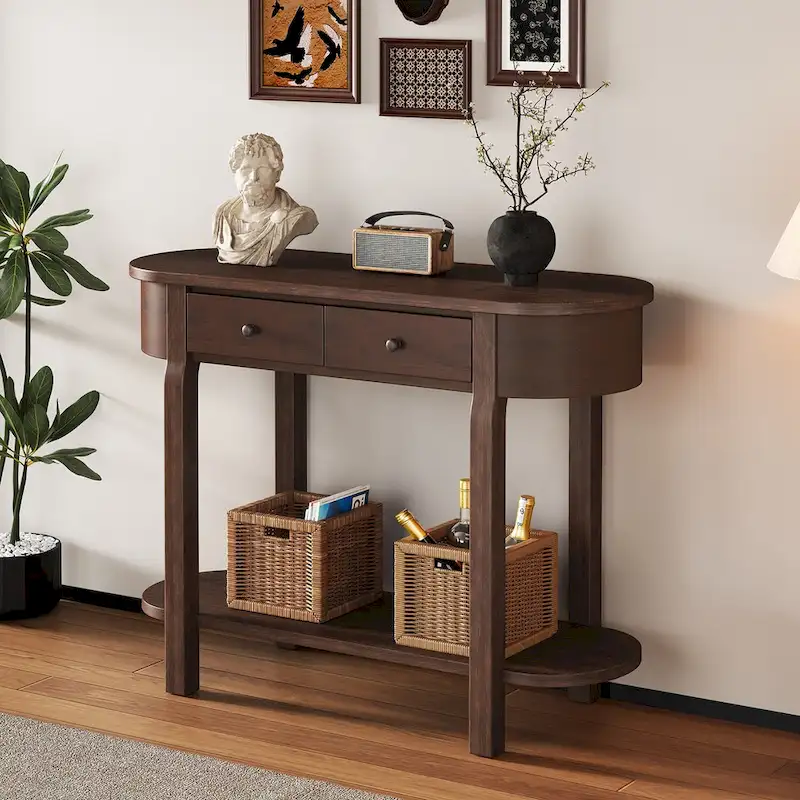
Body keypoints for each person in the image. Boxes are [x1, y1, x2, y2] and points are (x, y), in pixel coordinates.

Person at [213, 133, 318, 267]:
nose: (253, 177)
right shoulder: (222, 215)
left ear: (277, 173)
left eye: (262, 169)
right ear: (235, 173)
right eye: (245, 169)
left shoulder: (295, 216)